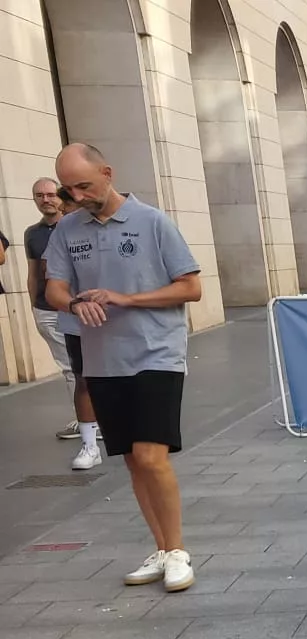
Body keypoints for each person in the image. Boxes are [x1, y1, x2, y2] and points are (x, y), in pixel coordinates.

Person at [43, 142, 203, 593]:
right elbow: (54, 288)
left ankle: (177, 552)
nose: (76, 195)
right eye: (68, 188)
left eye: (84, 185)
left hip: (156, 353)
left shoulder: (152, 221)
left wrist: (126, 299)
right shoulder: (67, 230)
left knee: (152, 457)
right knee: (133, 461)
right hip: (102, 360)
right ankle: (161, 547)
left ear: (108, 173)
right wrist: (75, 301)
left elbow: (191, 287)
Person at [26, 177, 99, 467]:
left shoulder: (92, 230)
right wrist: (40, 303)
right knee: (78, 373)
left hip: (101, 312)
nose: (48, 200)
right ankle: (89, 440)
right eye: (39, 195)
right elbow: (42, 274)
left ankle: (106, 423)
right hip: (65, 312)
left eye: (52, 195)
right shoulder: (42, 234)